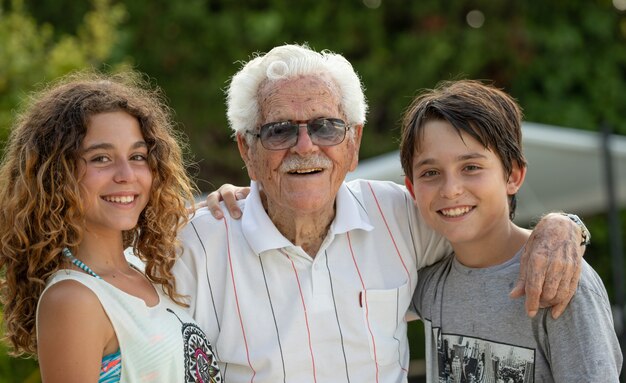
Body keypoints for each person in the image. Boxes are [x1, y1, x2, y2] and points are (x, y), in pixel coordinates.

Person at [175, 44, 587, 383]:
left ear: (353, 142)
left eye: (325, 127)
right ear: (248, 149)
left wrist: (564, 226)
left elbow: (491, 234)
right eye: (279, 130)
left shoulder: (401, 216)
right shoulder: (196, 245)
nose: (304, 146)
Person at [0, 71, 222, 382]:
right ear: (56, 174)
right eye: (101, 158)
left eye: (138, 156)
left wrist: (233, 199)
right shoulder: (74, 299)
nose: (126, 174)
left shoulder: (145, 269)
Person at [402, 80, 621, 381]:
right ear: (412, 189)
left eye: (471, 167)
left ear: (513, 175)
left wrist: (566, 224)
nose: (451, 190)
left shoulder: (561, 280)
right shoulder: (428, 283)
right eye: (431, 173)